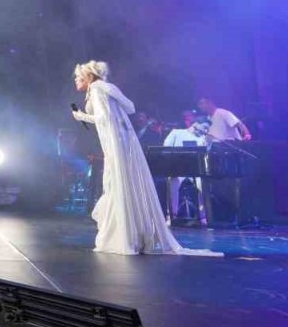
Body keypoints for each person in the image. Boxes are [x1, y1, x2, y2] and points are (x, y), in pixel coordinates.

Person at [70, 61, 219, 257]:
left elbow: (104, 118)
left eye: (78, 77)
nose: (76, 80)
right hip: (122, 142)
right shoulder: (106, 87)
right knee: (123, 184)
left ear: (88, 77)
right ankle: (134, 233)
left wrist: (81, 116)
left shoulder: (97, 89)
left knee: (117, 183)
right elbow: (130, 107)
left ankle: (126, 235)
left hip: (115, 144)